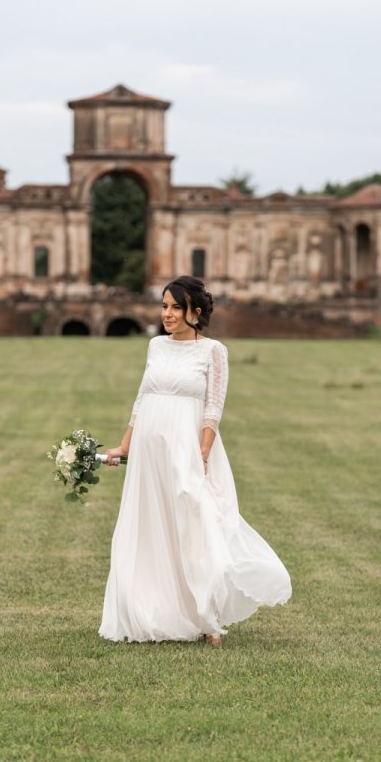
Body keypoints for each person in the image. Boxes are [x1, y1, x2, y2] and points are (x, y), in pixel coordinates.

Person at [98, 276, 292, 645]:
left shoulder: (213, 352)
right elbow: (142, 399)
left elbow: (213, 408)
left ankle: (207, 617)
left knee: (194, 523)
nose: (166, 314)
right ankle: (150, 611)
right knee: (151, 526)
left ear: (195, 312)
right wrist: (124, 447)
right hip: (150, 453)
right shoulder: (155, 345)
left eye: (175, 307)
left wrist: (201, 453)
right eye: (164, 306)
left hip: (188, 448)